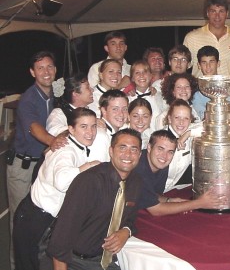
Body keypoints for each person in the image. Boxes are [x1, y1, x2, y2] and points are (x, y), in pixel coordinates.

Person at [13, 108, 103, 270]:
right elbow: (62, 181)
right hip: (35, 220)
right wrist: (89, 166)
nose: (90, 132)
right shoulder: (66, 150)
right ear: (71, 129)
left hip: (38, 216)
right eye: (83, 126)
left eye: (93, 126)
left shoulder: (75, 145)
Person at [46, 128, 142, 270]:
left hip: (104, 259)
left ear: (140, 154)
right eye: (122, 147)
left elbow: (131, 217)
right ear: (111, 151)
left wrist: (126, 231)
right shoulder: (89, 182)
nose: (128, 154)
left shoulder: (136, 182)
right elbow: (61, 240)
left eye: (134, 150)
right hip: (74, 261)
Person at [7, 51, 67, 269]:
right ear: (32, 72)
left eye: (50, 67)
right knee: (21, 221)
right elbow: (35, 129)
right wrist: (54, 141)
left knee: (41, 216)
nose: (46, 72)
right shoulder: (29, 99)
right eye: (40, 68)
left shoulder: (55, 94)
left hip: (42, 166)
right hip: (24, 167)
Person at [136, 130, 226, 216]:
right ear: (149, 147)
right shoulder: (140, 167)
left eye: (170, 152)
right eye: (160, 149)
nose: (164, 155)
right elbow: (156, 210)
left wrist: (169, 200)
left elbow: (153, 195)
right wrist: (199, 203)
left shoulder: (162, 163)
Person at [184, 0, 230, 77]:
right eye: (213, 11)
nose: (217, 16)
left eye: (221, 11)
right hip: (200, 88)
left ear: (227, 14)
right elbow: (182, 64)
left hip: (229, 89)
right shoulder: (192, 37)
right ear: (207, 13)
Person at [163, 99, 194, 191]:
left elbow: (209, 125)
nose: (181, 122)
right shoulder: (161, 139)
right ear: (169, 119)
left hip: (179, 188)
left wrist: (188, 134)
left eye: (186, 118)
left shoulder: (189, 134)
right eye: (177, 117)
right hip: (159, 191)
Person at [191, 45, 221, 119]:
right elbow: (203, 116)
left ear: (218, 63)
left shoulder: (228, 85)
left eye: (212, 62)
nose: (208, 66)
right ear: (199, 65)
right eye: (204, 62)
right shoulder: (195, 90)